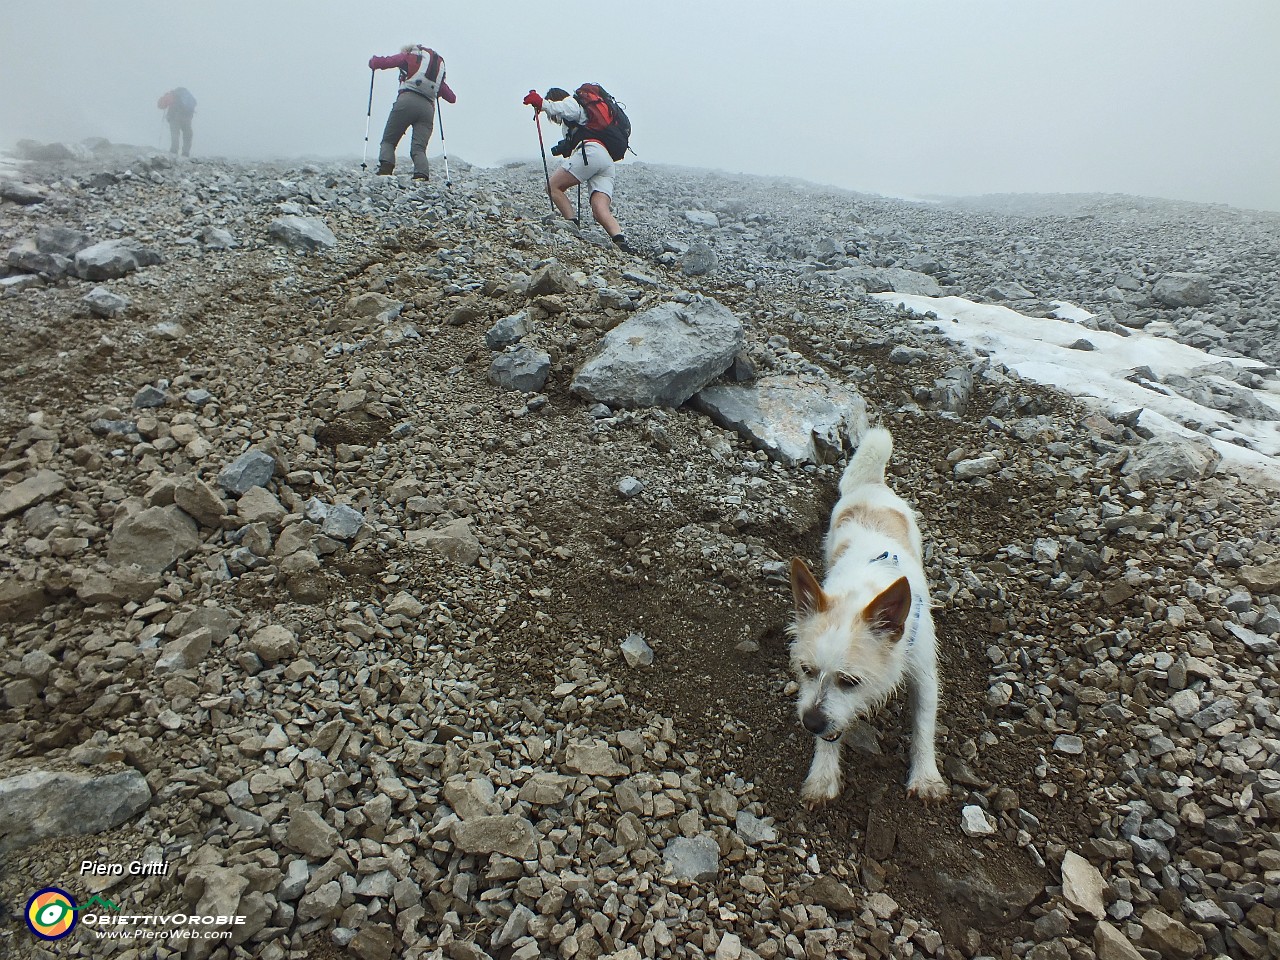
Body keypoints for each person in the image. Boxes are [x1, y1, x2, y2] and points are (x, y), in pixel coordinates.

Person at [522, 86, 636, 254]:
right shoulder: (583, 115)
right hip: (606, 160)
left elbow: (560, 107)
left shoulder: (571, 102)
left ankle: (571, 225)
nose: (551, 117)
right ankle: (620, 241)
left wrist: (541, 103)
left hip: (590, 152)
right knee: (599, 209)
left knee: (553, 187)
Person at [368, 44, 456, 180]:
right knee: (419, 148)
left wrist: (373, 62)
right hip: (427, 109)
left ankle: (386, 168)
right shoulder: (433, 73)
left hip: (406, 101)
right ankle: (421, 174)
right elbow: (451, 98)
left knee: (389, 140)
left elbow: (385, 62)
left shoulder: (409, 56)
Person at [157, 87, 196, 157]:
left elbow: (160, 105)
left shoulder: (172, 95)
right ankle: (185, 153)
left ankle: (174, 151)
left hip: (174, 116)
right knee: (187, 135)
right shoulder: (187, 98)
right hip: (187, 117)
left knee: (175, 134)